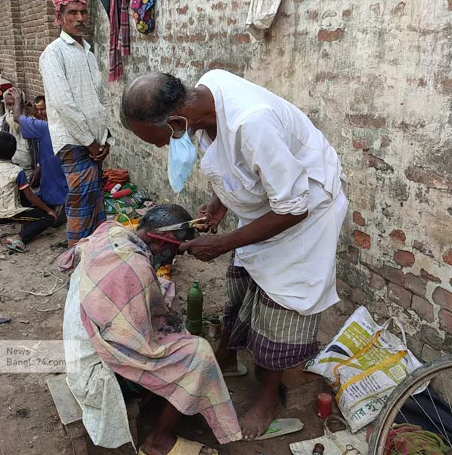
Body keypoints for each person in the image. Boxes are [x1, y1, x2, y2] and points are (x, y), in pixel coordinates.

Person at [121, 70, 349, 440]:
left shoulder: (252, 122)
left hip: (303, 214)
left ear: (177, 120)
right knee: (243, 283)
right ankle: (226, 358)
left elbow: (294, 207)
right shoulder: (204, 94)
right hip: (268, 205)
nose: (163, 148)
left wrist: (224, 243)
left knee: (280, 300)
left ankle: (267, 399)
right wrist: (219, 204)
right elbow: (236, 164)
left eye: (161, 140)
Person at [61, 204, 242, 454]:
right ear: (164, 241)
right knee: (199, 355)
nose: (173, 258)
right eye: (174, 252)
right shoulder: (135, 269)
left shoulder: (112, 231)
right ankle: (158, 441)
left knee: (167, 295)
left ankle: (169, 398)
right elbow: (137, 345)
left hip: (82, 339)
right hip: (97, 369)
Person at [40, 0, 112, 246]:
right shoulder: (53, 54)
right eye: (72, 12)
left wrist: (104, 139)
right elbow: (63, 104)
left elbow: (96, 101)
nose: (80, 18)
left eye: (83, 12)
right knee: (81, 203)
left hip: (93, 142)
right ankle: (75, 260)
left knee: (95, 201)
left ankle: (94, 259)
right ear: (59, 16)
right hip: (74, 141)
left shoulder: (88, 52)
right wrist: (91, 142)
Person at [0, 131, 57, 253]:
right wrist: (49, 211)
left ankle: (26, 223)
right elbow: (30, 196)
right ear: (14, 151)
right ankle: (18, 238)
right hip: (8, 215)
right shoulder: (17, 170)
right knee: (48, 218)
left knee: (27, 196)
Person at [9, 89, 68, 225]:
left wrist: (18, 100)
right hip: (53, 179)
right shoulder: (57, 125)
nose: (41, 113)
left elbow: (17, 118)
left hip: (56, 185)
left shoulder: (43, 127)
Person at [0, 89, 37, 183]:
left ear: (23, 105)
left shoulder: (33, 125)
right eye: (9, 105)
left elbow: (43, 153)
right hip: (4, 175)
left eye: (16, 104)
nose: (12, 109)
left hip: (29, 175)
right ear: (4, 105)